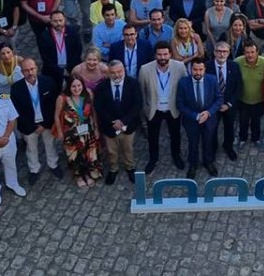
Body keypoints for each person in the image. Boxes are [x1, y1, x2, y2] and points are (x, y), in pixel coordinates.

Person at [138, 41, 188, 174]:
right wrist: (145, 109)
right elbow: (142, 91)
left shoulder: (180, 67)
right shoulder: (145, 69)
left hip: (173, 108)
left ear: (170, 54)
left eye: (165, 54)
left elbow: (185, 87)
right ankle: (153, 158)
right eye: (159, 54)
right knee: (153, 136)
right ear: (155, 55)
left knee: (175, 135)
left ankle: (176, 156)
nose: (162, 57)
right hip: (154, 109)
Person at [10, 58, 61, 185]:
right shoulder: (16, 88)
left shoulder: (48, 82)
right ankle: (34, 169)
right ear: (21, 72)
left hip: (47, 123)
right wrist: (33, 126)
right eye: (26, 70)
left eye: (32, 69)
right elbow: (17, 111)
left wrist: (44, 124)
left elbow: (53, 105)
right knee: (31, 148)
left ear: (36, 68)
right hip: (28, 125)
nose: (30, 72)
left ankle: (53, 164)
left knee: (50, 144)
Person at [94, 60, 142, 185]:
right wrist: (112, 122)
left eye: (119, 72)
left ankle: (130, 167)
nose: (117, 75)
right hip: (109, 126)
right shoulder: (101, 87)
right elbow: (99, 107)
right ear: (108, 73)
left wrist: (124, 121)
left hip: (128, 124)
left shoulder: (133, 84)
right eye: (113, 73)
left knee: (128, 148)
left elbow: (137, 105)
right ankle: (113, 169)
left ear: (124, 71)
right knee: (112, 150)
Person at [177, 58, 223, 179]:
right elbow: (180, 104)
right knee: (193, 142)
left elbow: (219, 99)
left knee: (208, 141)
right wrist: (196, 116)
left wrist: (208, 112)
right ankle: (193, 164)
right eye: (195, 70)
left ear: (205, 69)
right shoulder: (183, 83)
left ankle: (208, 162)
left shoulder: (212, 80)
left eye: (200, 69)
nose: (198, 72)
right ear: (191, 69)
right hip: (191, 120)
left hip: (209, 119)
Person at [54, 75, 101, 187]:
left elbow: (93, 112)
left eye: (79, 85)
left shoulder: (88, 94)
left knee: (89, 153)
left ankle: (89, 173)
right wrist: (60, 132)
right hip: (71, 133)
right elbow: (56, 115)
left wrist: (96, 128)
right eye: (73, 86)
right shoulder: (62, 98)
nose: (77, 89)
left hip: (87, 130)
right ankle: (78, 176)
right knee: (74, 155)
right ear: (69, 87)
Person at [206, 42, 242, 161]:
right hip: (212, 106)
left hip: (229, 105)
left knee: (229, 127)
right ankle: (213, 147)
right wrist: (213, 106)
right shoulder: (207, 66)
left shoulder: (234, 66)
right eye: (219, 51)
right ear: (214, 52)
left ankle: (228, 147)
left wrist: (229, 104)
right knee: (212, 129)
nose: (222, 54)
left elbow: (238, 87)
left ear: (229, 53)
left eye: (225, 52)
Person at [235, 40, 264, 149]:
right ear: (244, 53)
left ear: (257, 52)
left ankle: (256, 138)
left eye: (252, 52)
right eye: (247, 52)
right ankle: (242, 138)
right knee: (243, 121)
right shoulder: (237, 62)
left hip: (259, 100)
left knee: (256, 121)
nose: (250, 55)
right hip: (242, 100)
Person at [37, 10, 82, 89]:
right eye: (55, 21)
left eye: (60, 20)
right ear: (50, 21)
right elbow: (45, 57)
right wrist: (60, 71)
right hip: (52, 70)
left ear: (64, 20)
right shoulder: (44, 36)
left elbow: (78, 51)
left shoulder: (72, 31)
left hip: (72, 68)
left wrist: (68, 68)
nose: (58, 23)